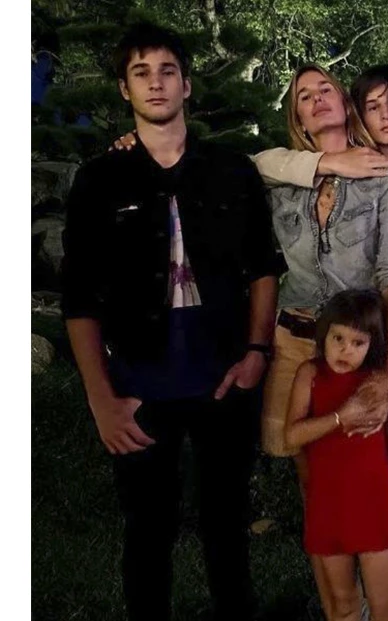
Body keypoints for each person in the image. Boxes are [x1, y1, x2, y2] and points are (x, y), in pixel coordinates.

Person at [61, 22, 278, 621]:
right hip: (139, 384)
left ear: (186, 84)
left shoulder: (232, 170)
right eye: (141, 72)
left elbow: (263, 267)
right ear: (124, 89)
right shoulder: (99, 180)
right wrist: (101, 401)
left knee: (227, 526)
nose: (155, 83)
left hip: (224, 378)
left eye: (167, 71)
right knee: (146, 532)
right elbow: (80, 299)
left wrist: (257, 351)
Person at [253, 65, 388, 621]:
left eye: (326, 88)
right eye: (304, 95)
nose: (316, 99)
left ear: (344, 102)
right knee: (318, 488)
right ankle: (344, 608)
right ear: (297, 115)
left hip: (361, 348)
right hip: (297, 344)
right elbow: (251, 162)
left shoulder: (383, 178)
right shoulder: (284, 177)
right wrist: (326, 164)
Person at [284, 289, 388, 621]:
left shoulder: (376, 382)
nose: (345, 350)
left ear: (373, 345)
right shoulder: (310, 374)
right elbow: (292, 436)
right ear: (323, 335)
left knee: (384, 606)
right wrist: (340, 417)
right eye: (338, 338)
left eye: (358, 343)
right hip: (328, 504)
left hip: (374, 504)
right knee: (343, 606)